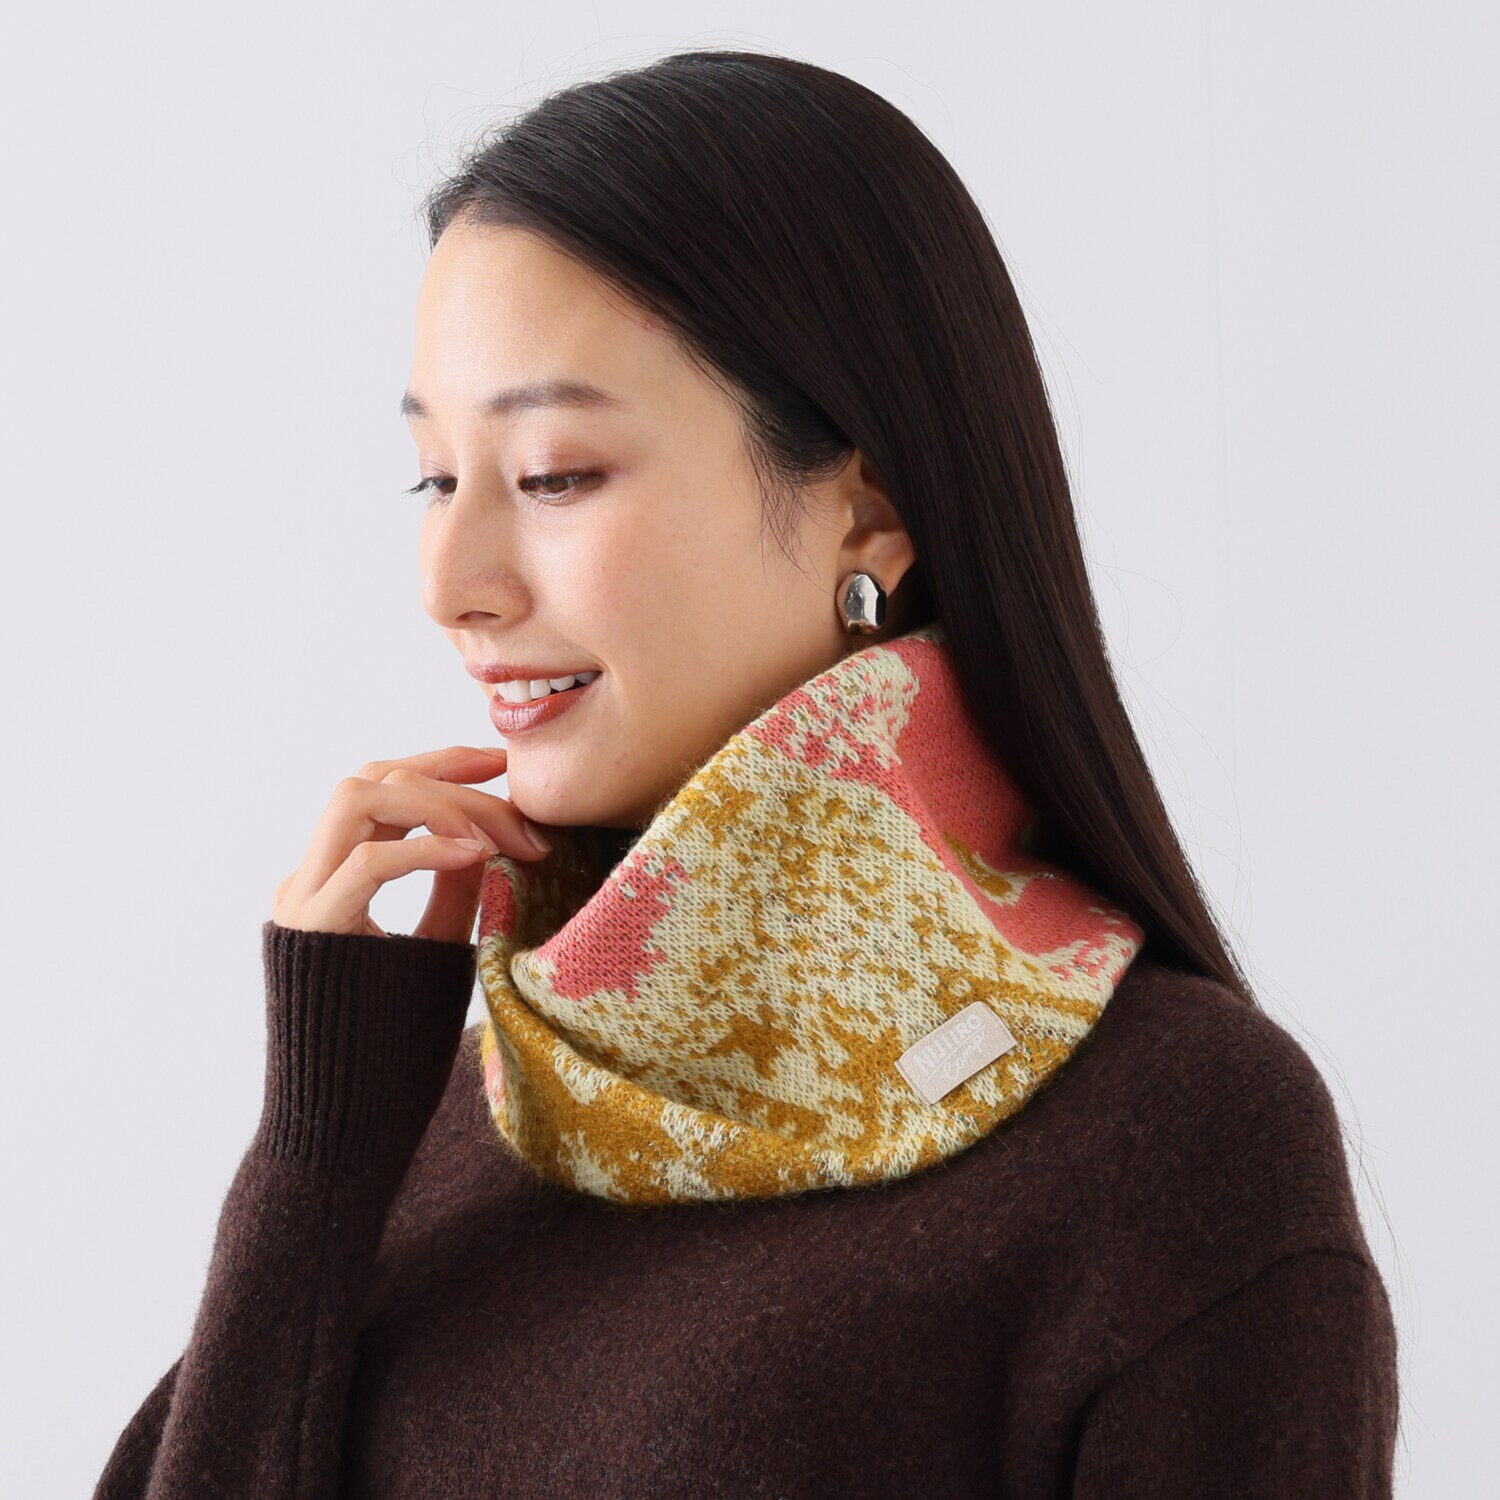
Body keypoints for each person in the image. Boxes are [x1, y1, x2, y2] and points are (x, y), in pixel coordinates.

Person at [93, 50, 1400, 1497]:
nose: (450, 582)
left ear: (869, 513)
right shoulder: (449, 1119)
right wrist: (313, 1166)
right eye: (434, 479)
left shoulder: (1174, 1141)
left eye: (553, 474)